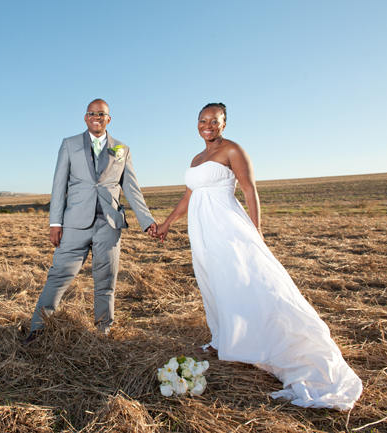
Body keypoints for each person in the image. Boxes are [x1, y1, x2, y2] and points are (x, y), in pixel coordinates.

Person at [155, 103, 362, 410]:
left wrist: (257, 230)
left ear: (224, 124)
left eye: (214, 121)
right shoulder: (197, 158)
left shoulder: (233, 150)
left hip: (227, 226)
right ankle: (223, 338)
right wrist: (167, 223)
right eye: (202, 121)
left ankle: (263, 341)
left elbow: (250, 190)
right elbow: (189, 195)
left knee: (241, 280)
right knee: (212, 281)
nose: (207, 125)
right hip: (201, 230)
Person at [24, 99, 157, 344]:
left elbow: (132, 188)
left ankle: (103, 331)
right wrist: (55, 223)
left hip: (109, 223)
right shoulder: (69, 144)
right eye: (92, 113)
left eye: (102, 114)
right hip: (74, 223)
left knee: (106, 278)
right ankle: (38, 328)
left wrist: (146, 221)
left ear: (109, 119)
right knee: (59, 274)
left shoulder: (122, 149)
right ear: (85, 118)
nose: (96, 117)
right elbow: (58, 185)